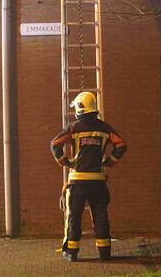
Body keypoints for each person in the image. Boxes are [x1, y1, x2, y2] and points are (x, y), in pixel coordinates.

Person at [50, 91, 127, 262]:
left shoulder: (73, 128)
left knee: (74, 216)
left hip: (77, 181)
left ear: (79, 108)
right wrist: (109, 161)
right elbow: (121, 144)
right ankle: (104, 252)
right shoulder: (105, 128)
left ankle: (71, 252)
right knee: (100, 215)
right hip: (98, 181)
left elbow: (55, 144)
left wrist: (66, 162)